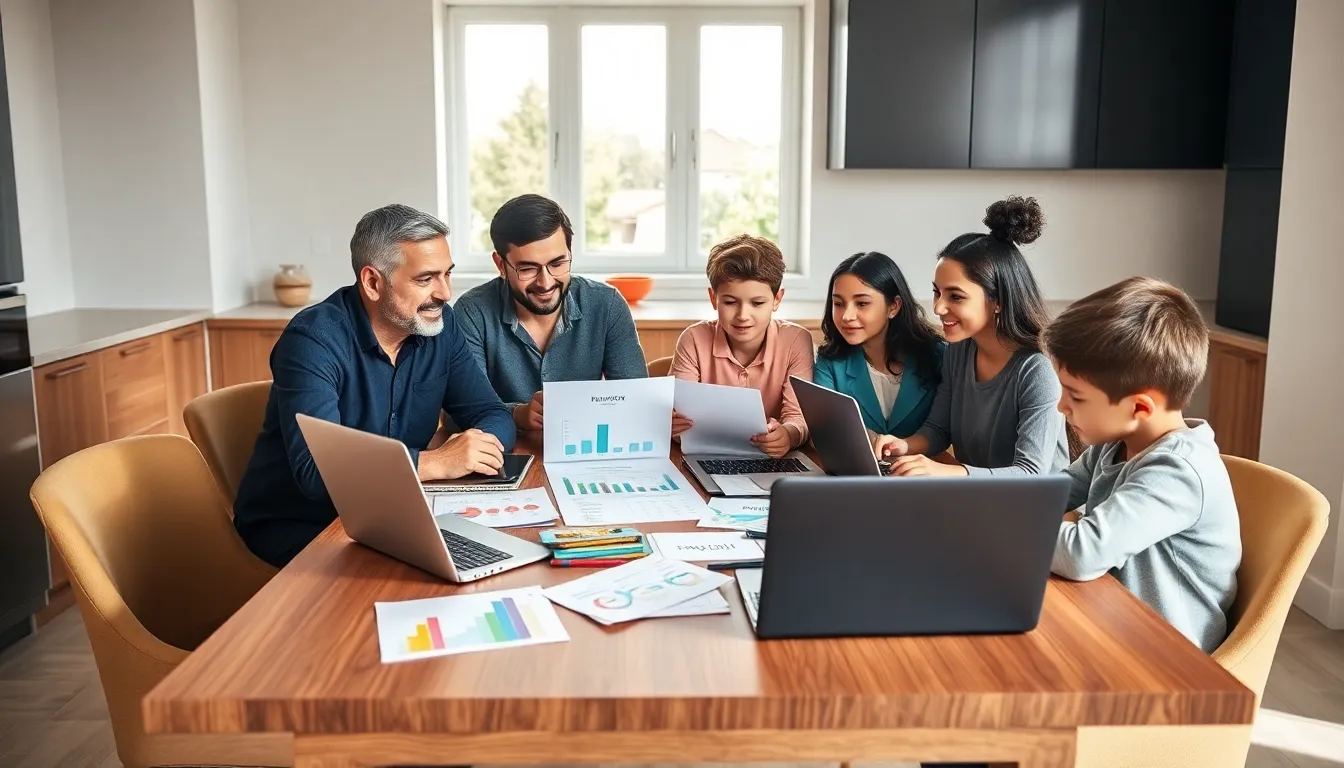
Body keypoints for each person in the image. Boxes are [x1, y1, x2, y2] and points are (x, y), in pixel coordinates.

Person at [233, 204, 516, 567]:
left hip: (389, 514)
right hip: (303, 526)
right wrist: (434, 463)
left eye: (447, 274)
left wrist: (476, 447)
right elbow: (318, 473)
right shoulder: (312, 341)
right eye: (425, 279)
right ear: (372, 282)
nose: (445, 293)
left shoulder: (440, 326)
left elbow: (492, 413)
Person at [1043, 277, 1240, 653]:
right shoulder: (1115, 444)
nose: (1061, 406)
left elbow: (1082, 553)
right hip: (1109, 618)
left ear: (1139, 407)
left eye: (1076, 397)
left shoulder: (1178, 471)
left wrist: (1003, 524)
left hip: (1164, 655)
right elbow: (1051, 495)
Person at [873, 196, 1069, 477]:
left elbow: (1030, 474)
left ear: (997, 300)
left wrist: (946, 472)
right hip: (977, 497)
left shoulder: (1037, 370)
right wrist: (902, 446)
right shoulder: (959, 351)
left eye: (956, 296)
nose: (938, 308)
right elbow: (938, 430)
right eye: (937, 292)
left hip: (1036, 502)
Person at [454, 194, 647, 433]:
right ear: (501, 265)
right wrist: (518, 414)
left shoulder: (607, 304)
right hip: (504, 451)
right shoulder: (471, 312)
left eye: (557, 264)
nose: (545, 283)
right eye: (528, 269)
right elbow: (458, 412)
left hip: (584, 445)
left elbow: (635, 401)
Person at [669, 234, 814, 458]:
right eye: (730, 302)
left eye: (757, 303)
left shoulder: (796, 341)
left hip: (772, 461)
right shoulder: (693, 339)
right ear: (713, 298)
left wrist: (788, 435)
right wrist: (672, 427)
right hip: (706, 457)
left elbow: (799, 418)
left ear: (777, 299)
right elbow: (677, 417)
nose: (743, 315)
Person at [814, 252, 944, 440]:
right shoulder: (830, 362)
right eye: (838, 303)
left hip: (925, 459)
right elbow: (824, 429)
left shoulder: (938, 357)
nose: (847, 316)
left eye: (862, 303)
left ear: (894, 306)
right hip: (856, 459)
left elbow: (943, 430)